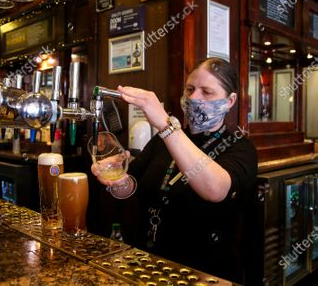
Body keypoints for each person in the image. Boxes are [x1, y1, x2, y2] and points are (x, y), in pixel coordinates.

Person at [92, 57, 257, 282]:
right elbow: (131, 185)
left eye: (207, 92)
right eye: (190, 89)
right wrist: (116, 179)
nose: (193, 98)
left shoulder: (240, 147)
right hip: (149, 263)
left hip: (205, 273)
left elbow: (216, 189)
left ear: (230, 100)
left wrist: (165, 125)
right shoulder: (162, 141)